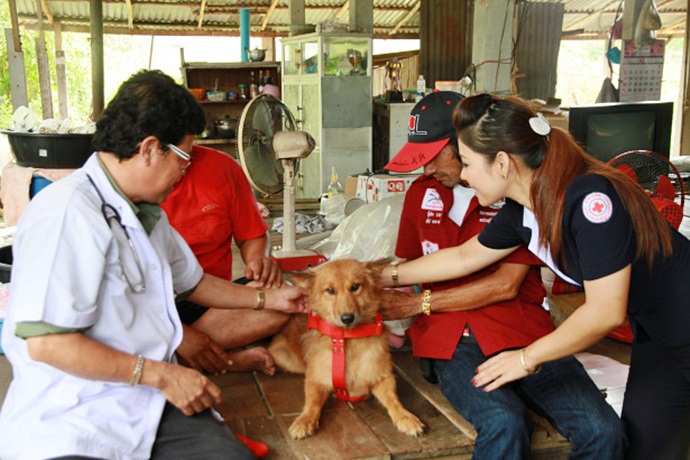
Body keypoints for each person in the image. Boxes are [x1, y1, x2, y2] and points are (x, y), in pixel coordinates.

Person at [0, 69, 308, 460]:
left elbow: (195, 284)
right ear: (149, 149)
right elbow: (47, 344)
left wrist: (271, 301)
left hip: (143, 401)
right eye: (184, 156)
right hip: (75, 411)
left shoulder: (146, 214)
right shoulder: (66, 213)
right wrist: (162, 374)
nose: (186, 169)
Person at [381, 93, 690, 460]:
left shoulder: (589, 199)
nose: (463, 175)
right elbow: (465, 258)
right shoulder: (523, 210)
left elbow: (605, 311)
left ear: (501, 163)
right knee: (645, 447)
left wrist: (526, 358)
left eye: (466, 163)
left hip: (681, 325)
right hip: (659, 335)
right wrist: (378, 275)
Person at [161, 144, 287, 376]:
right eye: (179, 156)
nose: (184, 164)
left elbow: (252, 234)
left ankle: (190, 354)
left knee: (282, 298)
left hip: (214, 301)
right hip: (153, 306)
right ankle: (221, 358)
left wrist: (258, 260)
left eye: (188, 153)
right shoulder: (138, 190)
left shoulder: (222, 167)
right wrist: (181, 336)